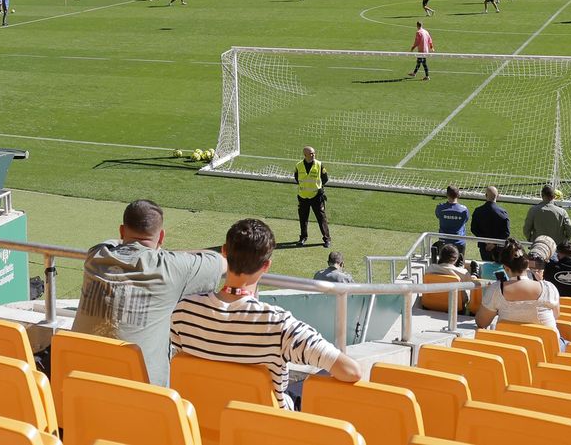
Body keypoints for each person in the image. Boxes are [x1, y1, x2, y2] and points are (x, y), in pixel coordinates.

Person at [169, 218, 360, 408]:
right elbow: (351, 371)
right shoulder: (280, 325)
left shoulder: (182, 311)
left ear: (224, 252)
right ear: (266, 266)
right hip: (265, 424)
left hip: (202, 418)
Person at [73, 199, 226, 387]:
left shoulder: (96, 254)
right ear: (161, 236)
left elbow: (114, 243)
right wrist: (167, 255)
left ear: (122, 230)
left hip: (81, 382)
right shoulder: (171, 267)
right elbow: (220, 261)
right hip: (140, 391)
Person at [476, 243, 560, 331]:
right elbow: (556, 315)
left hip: (509, 339)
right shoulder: (549, 288)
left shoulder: (496, 289)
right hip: (546, 339)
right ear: (527, 264)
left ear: (506, 268)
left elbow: (482, 322)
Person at [294, 146, 331, 247]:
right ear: (305, 155)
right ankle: (303, 238)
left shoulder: (319, 165)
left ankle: (327, 239)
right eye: (311, 153)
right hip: (303, 196)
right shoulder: (298, 165)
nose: (313, 155)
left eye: (314, 153)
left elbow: (325, 178)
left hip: (316, 196)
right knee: (303, 219)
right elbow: (297, 178)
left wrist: (319, 187)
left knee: (321, 218)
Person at [470, 186, 512, 260]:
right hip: (498, 247)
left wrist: (486, 241)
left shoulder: (478, 211)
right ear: (498, 196)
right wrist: (494, 243)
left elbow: (474, 229)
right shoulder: (503, 213)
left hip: (484, 246)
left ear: (485, 195)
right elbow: (506, 232)